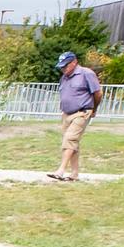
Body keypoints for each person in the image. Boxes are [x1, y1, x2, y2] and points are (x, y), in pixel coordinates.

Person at [50, 50, 101, 182]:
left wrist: (93, 109)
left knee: (70, 139)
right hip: (67, 114)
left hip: (82, 112)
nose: (63, 69)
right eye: (61, 66)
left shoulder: (86, 74)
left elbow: (98, 93)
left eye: (66, 65)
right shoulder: (64, 78)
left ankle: (61, 170)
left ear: (74, 62)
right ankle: (74, 174)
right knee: (72, 143)